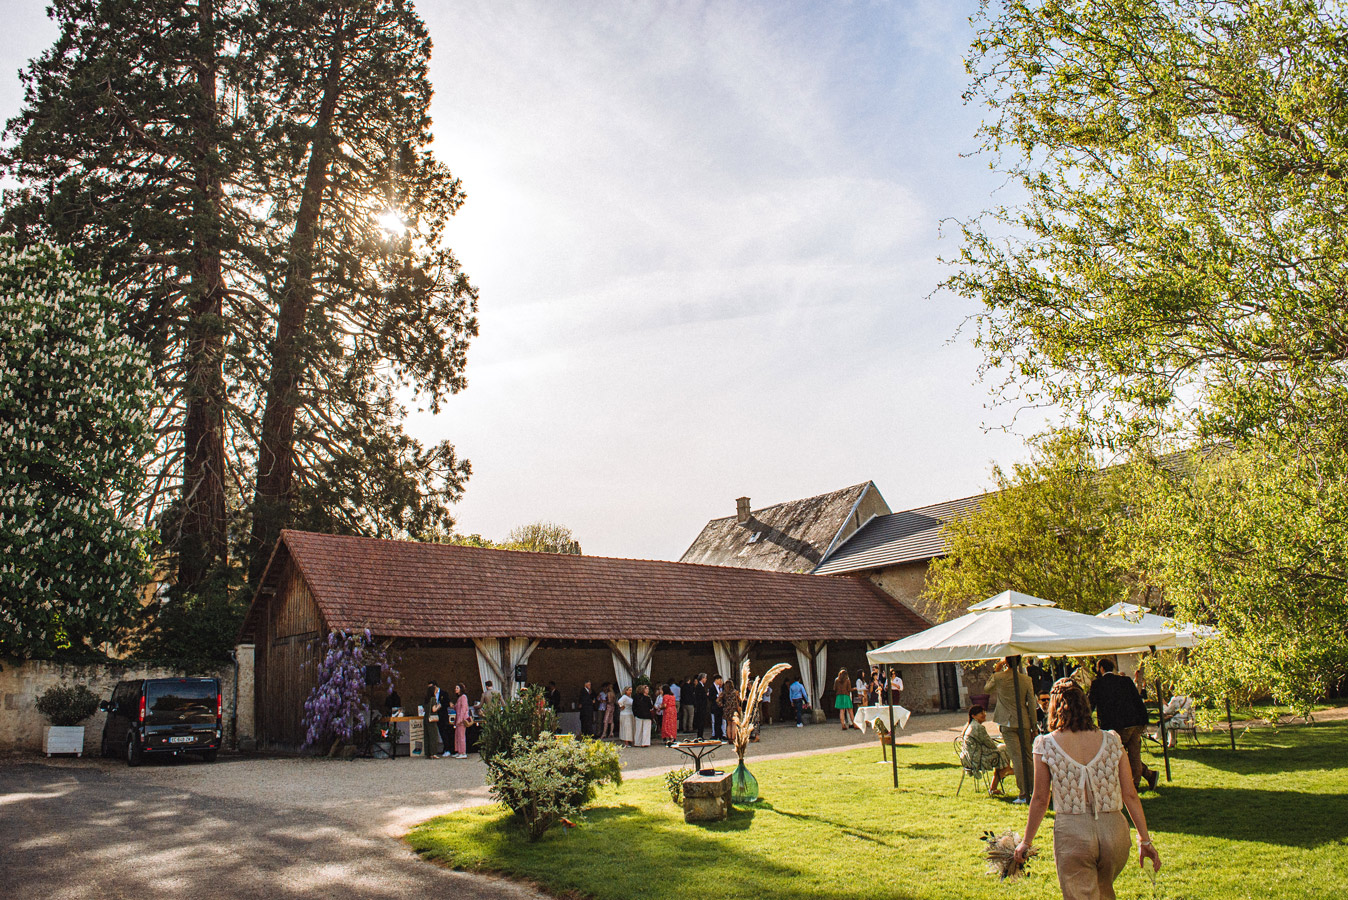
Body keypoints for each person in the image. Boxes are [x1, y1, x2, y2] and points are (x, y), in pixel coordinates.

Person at [1014, 679, 1161, 899]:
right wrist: (1145, 840)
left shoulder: (1045, 744)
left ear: (1054, 707)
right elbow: (1130, 794)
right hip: (1115, 832)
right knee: (1104, 890)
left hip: (1073, 832)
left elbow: (1040, 799)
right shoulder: (1112, 739)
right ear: (1085, 705)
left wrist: (1026, 842)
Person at [1089, 658, 1159, 791]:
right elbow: (1137, 700)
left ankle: (1138, 780)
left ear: (1101, 669)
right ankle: (1140, 780)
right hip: (1134, 722)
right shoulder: (1125, 681)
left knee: (1116, 754)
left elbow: (1090, 705)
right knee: (1133, 753)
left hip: (1114, 725)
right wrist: (1144, 720)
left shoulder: (1097, 684)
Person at [984, 656, 1037, 803]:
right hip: (1024, 721)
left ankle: (1024, 794)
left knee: (1017, 758)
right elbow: (1031, 703)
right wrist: (1034, 725)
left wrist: (996, 670)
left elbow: (987, 689)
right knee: (1028, 757)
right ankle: (1032, 790)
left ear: (1006, 661)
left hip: (1007, 722)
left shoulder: (999, 677)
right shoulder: (1026, 680)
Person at [961, 705, 1015, 796]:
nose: (984, 714)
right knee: (1004, 752)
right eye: (981, 713)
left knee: (1002, 752)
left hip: (970, 759)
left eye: (984, 712)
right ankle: (1008, 771)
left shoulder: (970, 726)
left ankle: (996, 784)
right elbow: (990, 745)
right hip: (978, 761)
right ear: (974, 716)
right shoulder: (978, 727)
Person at [427, 680, 453, 759]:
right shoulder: (430, 695)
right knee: (437, 733)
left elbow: (447, 703)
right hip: (434, 717)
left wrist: (439, 705)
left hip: (442, 715)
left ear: (435, 686)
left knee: (444, 732)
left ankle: (447, 749)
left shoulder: (444, 693)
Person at [452, 683, 471, 759]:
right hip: (458, 719)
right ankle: (459, 751)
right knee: (458, 735)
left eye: (457, 688)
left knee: (461, 736)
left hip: (462, 720)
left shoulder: (463, 697)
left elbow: (464, 708)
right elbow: (457, 708)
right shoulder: (459, 698)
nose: (455, 689)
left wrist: (460, 719)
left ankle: (463, 752)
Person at [721, 678, 741, 743]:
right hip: (734, 709)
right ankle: (733, 738)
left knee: (728, 724)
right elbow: (739, 700)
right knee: (734, 724)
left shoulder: (724, 692)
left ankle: (729, 738)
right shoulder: (735, 692)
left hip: (727, 709)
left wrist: (721, 705)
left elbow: (718, 700)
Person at [691, 673, 709, 739]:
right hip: (701, 707)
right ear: (702, 678)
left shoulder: (701, 686)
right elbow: (699, 697)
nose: (706, 679)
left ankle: (701, 735)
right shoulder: (699, 686)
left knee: (702, 721)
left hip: (702, 707)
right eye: (705, 678)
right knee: (700, 721)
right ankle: (700, 735)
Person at [709, 675, 725, 740]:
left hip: (719, 707)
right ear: (716, 680)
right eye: (719, 680)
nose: (720, 681)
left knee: (720, 721)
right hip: (715, 706)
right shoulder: (712, 687)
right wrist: (717, 696)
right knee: (716, 721)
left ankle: (720, 734)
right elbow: (711, 697)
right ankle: (716, 734)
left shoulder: (719, 687)